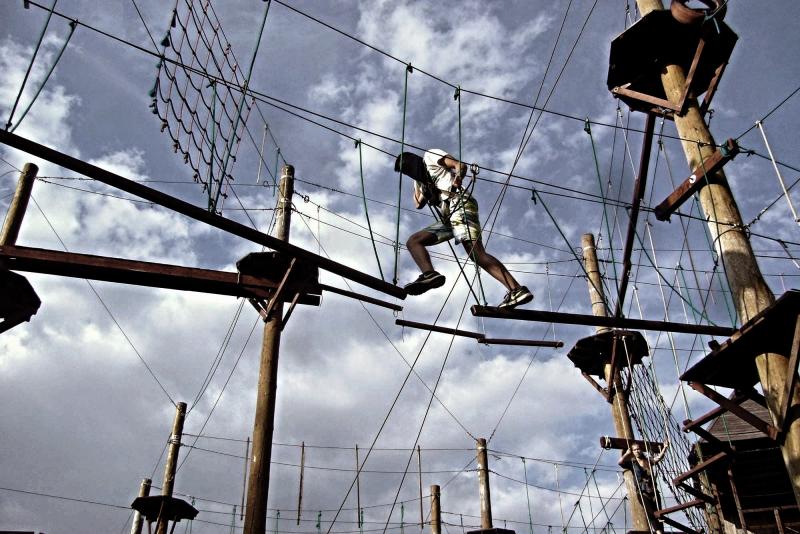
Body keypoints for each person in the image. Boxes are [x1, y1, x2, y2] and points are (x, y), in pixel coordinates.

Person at [402, 148, 533, 309]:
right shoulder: (418, 180)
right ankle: (430, 275)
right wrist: (419, 185)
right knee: (414, 241)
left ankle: (517, 290)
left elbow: (460, 165)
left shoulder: (430, 156)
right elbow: (418, 204)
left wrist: (457, 177)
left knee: (476, 254)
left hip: (459, 204)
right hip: (449, 217)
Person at [619, 440, 670, 534]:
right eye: (635, 450)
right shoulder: (632, 464)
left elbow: (658, 458)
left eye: (638, 449)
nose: (637, 451)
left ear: (641, 450)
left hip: (653, 491)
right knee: (651, 513)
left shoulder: (648, 461)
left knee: (659, 513)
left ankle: (660, 531)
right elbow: (620, 462)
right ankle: (658, 532)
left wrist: (665, 448)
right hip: (642, 492)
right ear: (633, 452)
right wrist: (626, 454)